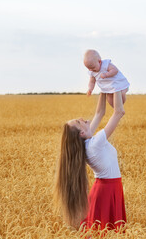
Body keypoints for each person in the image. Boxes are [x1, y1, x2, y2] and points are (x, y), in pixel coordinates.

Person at [53, 91, 126, 232]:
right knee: (105, 232)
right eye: (79, 122)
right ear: (81, 133)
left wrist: (103, 87)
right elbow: (119, 112)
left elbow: (100, 112)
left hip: (107, 188)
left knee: (103, 233)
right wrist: (115, 85)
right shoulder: (95, 142)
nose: (82, 118)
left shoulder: (86, 143)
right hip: (107, 191)